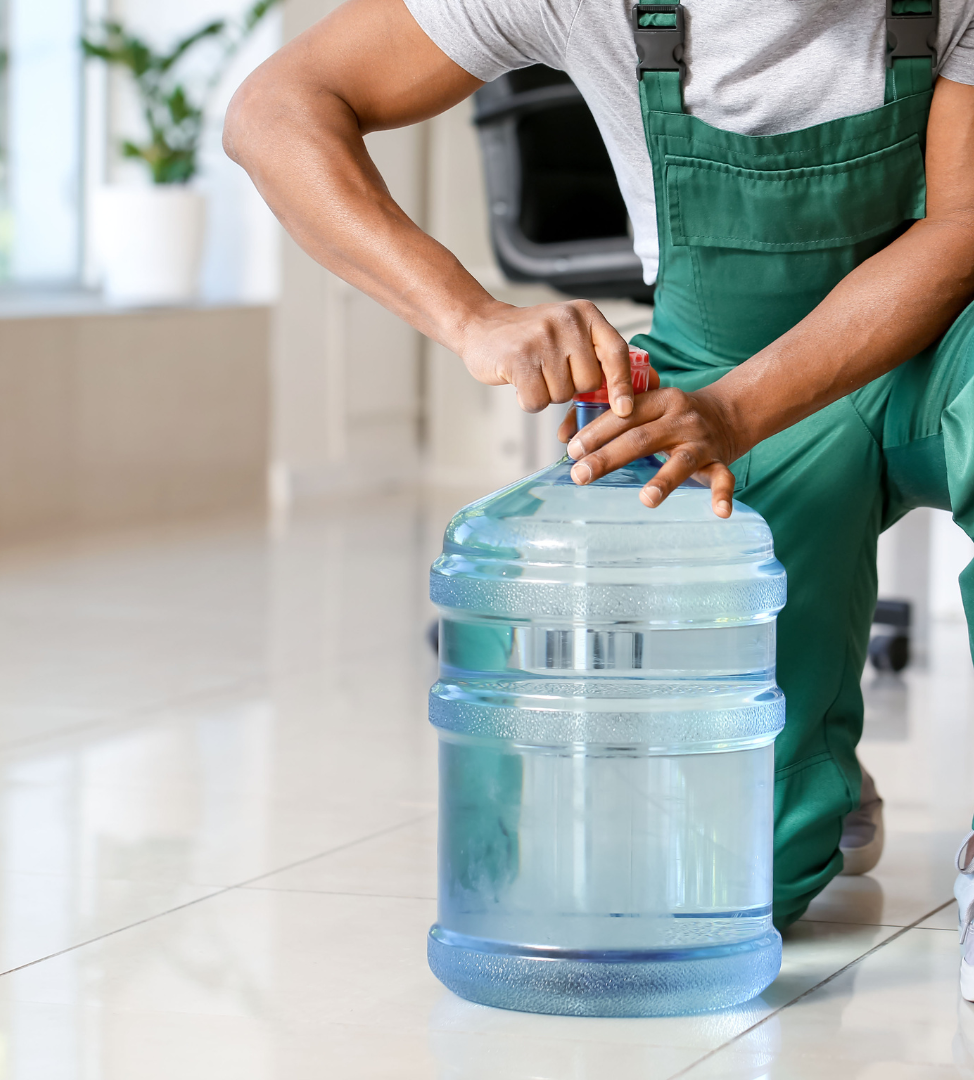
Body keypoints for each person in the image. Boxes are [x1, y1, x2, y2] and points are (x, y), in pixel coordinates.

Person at [223, 0, 974, 989]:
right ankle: (816, 791)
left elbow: (965, 222)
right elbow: (274, 108)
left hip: (930, 352)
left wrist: (741, 412)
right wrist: (469, 317)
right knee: (708, 890)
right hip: (702, 386)